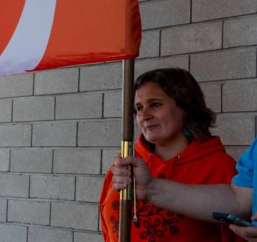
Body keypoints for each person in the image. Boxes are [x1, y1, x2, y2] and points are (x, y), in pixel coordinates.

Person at [105, 68, 246, 241]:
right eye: (139, 108)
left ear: (185, 107)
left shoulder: (220, 167)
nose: (144, 115)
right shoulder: (126, 163)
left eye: (155, 104)